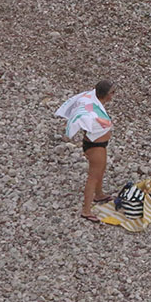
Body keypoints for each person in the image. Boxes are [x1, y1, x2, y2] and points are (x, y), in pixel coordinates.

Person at [55, 80, 117, 223]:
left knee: (101, 170)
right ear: (105, 94)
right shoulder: (91, 113)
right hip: (95, 147)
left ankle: (99, 194)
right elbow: (87, 119)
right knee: (93, 176)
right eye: (112, 93)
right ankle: (86, 210)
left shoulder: (92, 101)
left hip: (99, 144)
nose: (113, 96)